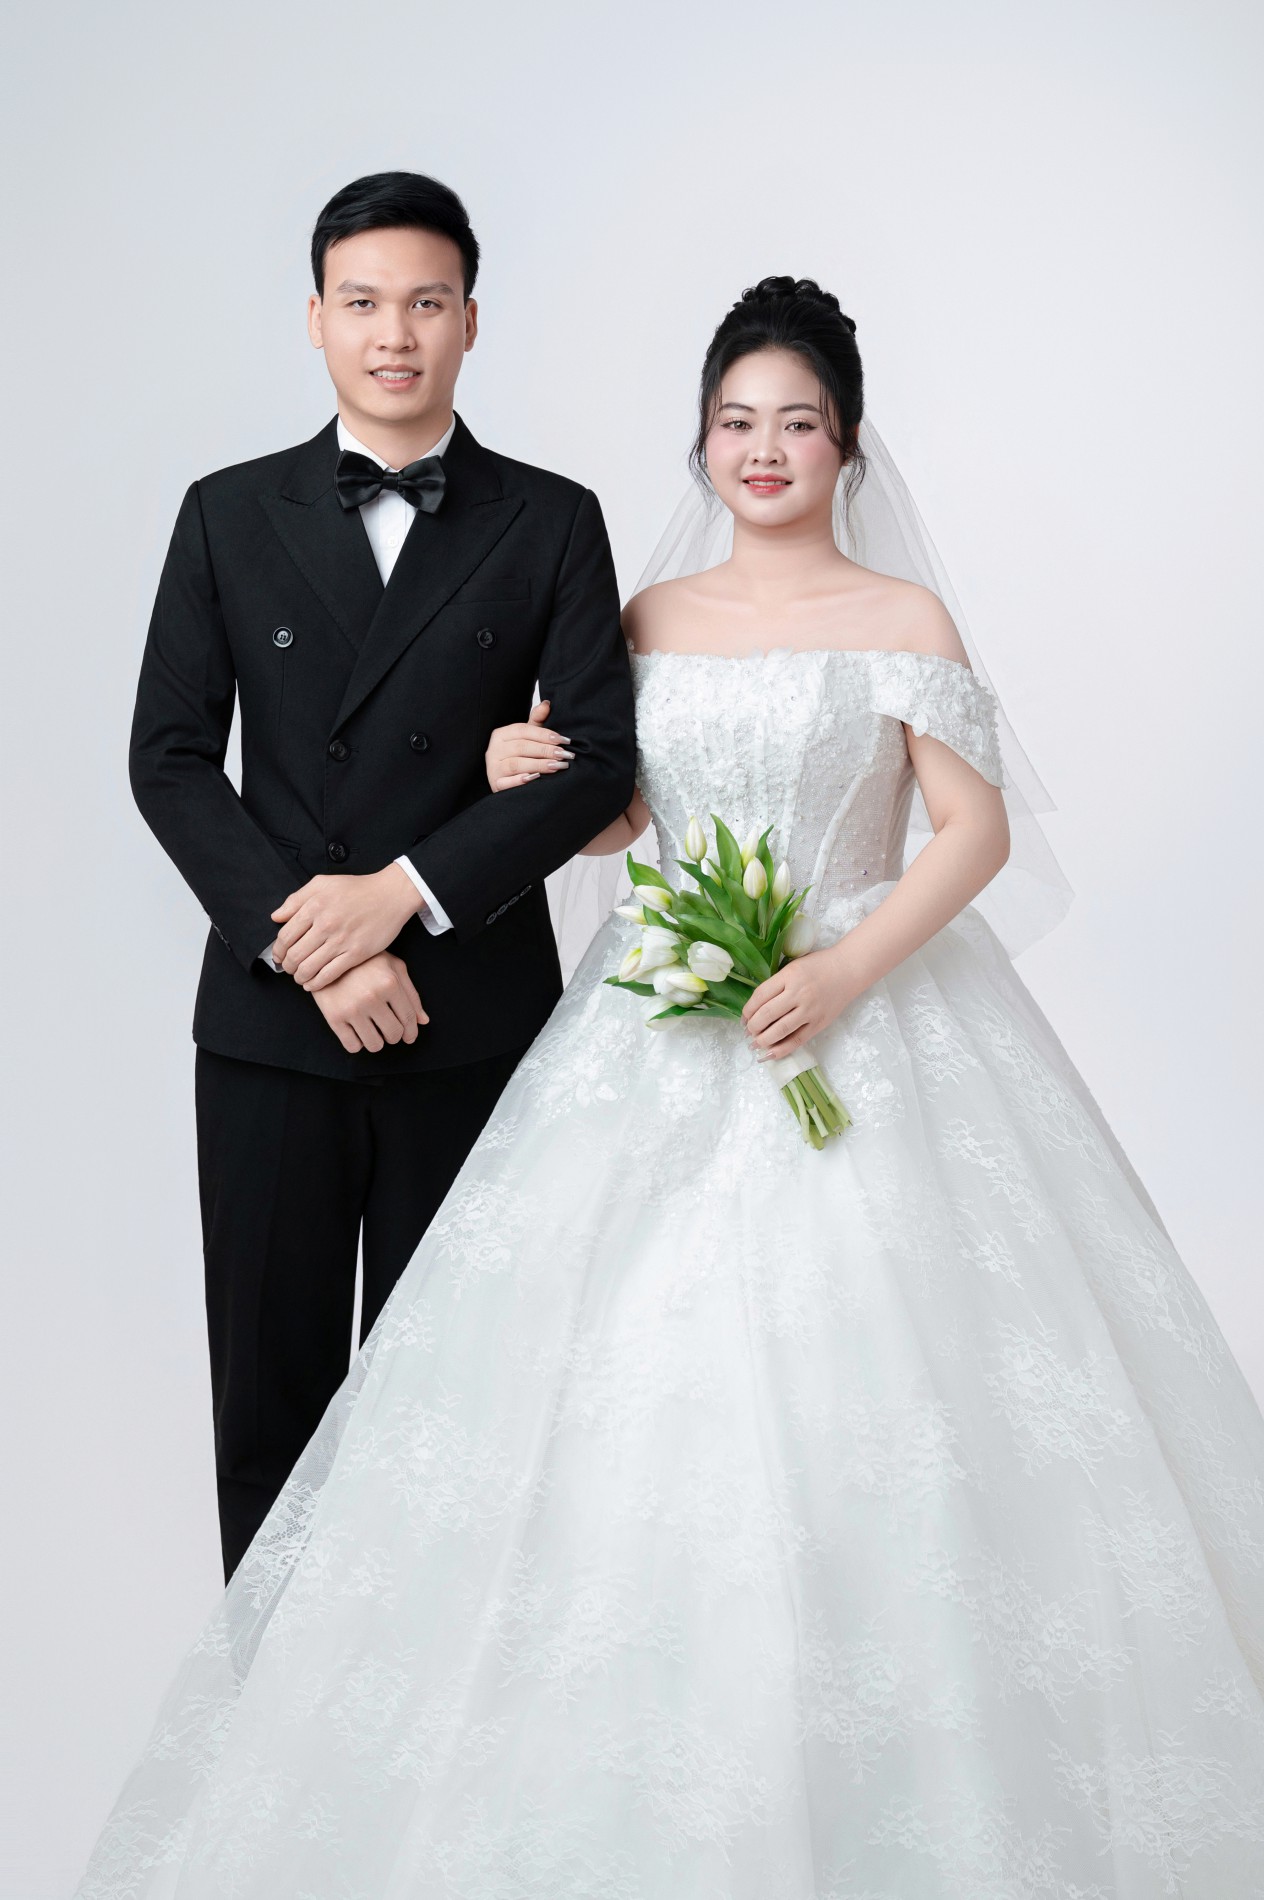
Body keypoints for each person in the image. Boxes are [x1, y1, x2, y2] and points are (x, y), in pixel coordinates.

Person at [81, 278, 1264, 1896]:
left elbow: (974, 833)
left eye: (798, 423)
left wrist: (845, 969)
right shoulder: (643, 615)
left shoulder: (904, 619)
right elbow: (619, 814)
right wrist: (519, 774)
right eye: (736, 422)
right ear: (701, 442)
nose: (764, 449)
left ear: (848, 444)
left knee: (888, 1400)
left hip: (858, 1012)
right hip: (660, 1018)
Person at [127, 170, 637, 1583]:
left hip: (468, 1021)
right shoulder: (229, 512)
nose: (394, 334)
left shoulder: (551, 519)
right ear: (316, 318)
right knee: (269, 1407)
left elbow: (597, 762)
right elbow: (169, 760)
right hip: (273, 1026)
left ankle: (428, 1726)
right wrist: (321, 949)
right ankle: (265, 1715)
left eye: (425, 302)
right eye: (363, 303)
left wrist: (402, 891)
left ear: (471, 318)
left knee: (459, 1409)